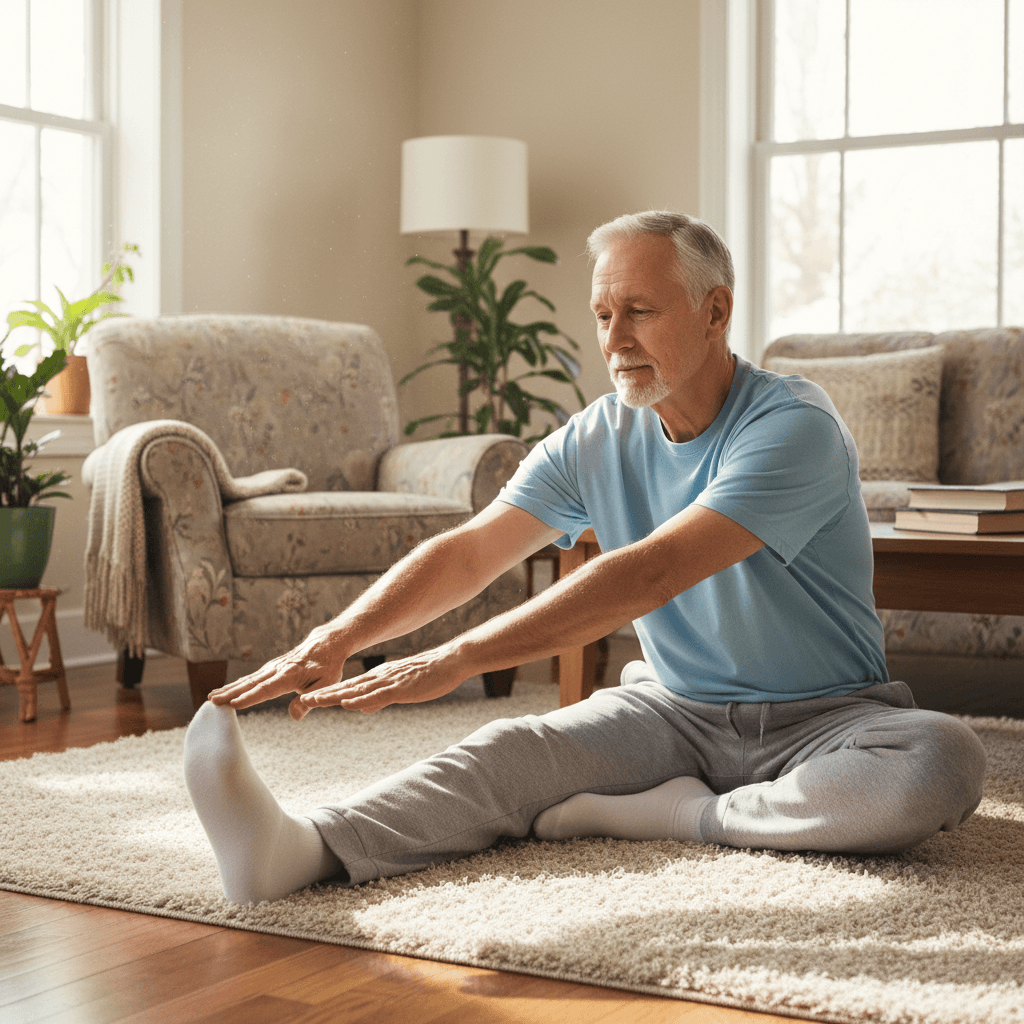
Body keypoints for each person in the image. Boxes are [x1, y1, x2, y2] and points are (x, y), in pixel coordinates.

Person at [183, 210, 987, 905]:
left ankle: (679, 814)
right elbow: (470, 554)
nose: (615, 339)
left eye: (639, 310)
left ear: (716, 312)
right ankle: (303, 851)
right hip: (675, 712)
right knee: (512, 751)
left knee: (940, 759)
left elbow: (649, 573)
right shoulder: (598, 435)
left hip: (829, 718)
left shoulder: (793, 426)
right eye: (603, 315)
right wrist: (338, 639)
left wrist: (458, 657)